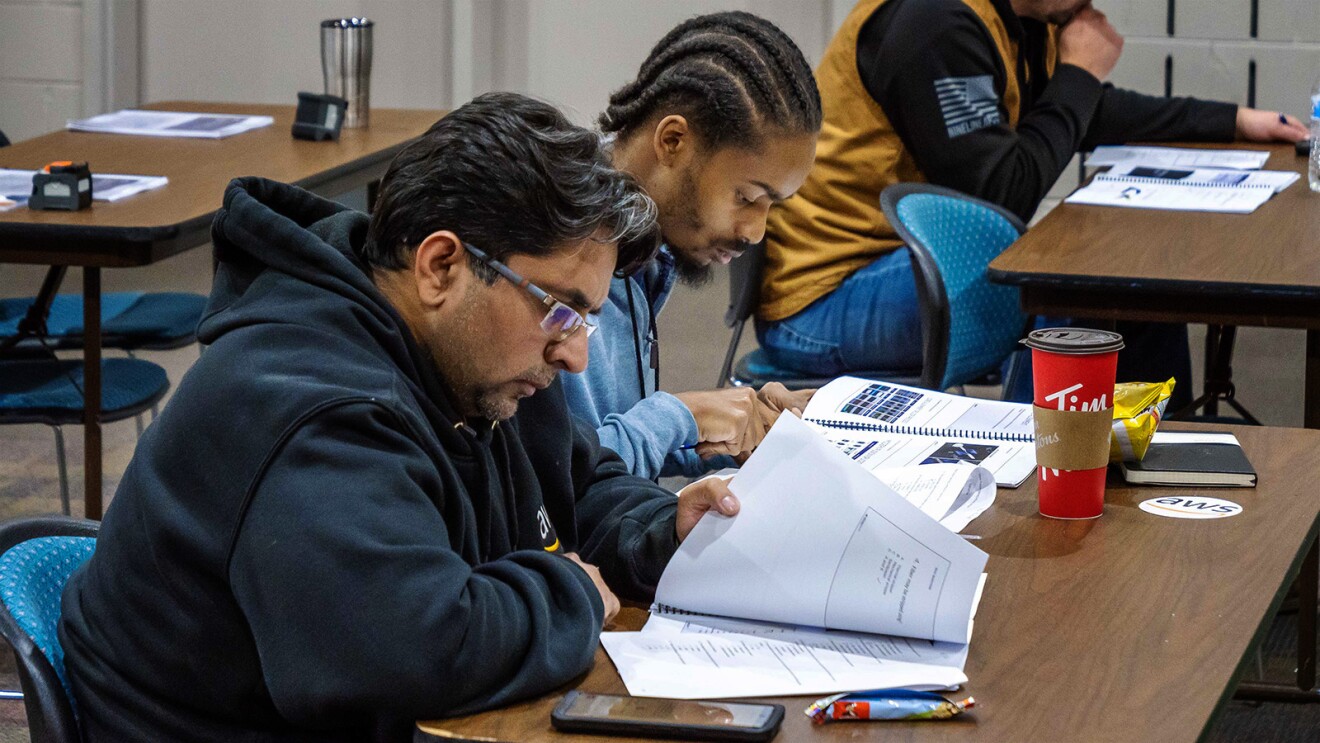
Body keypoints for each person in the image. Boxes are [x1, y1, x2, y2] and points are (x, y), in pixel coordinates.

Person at [58, 93, 742, 742]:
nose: (575, 352)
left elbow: (575, 484)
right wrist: (570, 593)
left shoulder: (484, 358)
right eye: (562, 308)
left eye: (587, 316)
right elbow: (416, 647)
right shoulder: (308, 405)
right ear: (441, 265)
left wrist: (663, 527)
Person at [758, 0, 1310, 407]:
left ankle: (1157, 456)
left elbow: (1082, 112)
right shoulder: (933, 23)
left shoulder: (1029, 20)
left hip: (906, 267)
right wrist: (1078, 73)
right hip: (826, 297)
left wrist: (1233, 121)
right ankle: (1032, 475)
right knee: (1061, 281)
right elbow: (1003, 192)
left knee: (1136, 282)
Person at [561, 11, 822, 480]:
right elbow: (558, 475)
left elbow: (613, 436)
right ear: (673, 140)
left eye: (771, 206)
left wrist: (738, 425)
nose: (755, 232)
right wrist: (683, 415)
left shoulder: (642, 241)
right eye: (746, 197)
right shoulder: (560, 251)